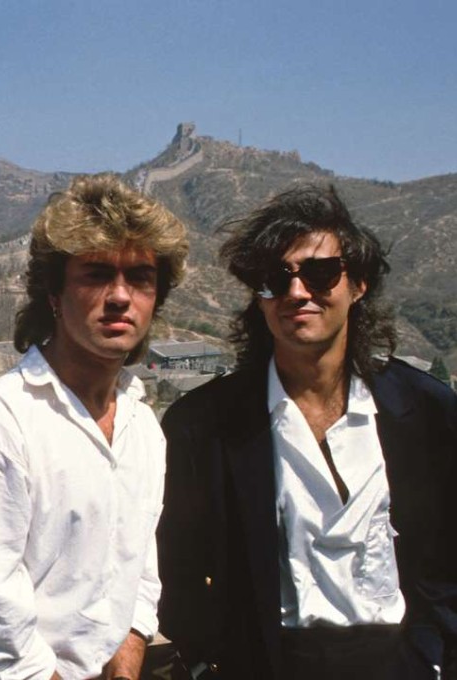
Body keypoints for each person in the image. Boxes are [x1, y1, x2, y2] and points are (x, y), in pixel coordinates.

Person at [158, 185, 457, 679]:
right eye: (276, 279)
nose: (297, 293)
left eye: (320, 273)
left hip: (403, 662)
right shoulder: (205, 426)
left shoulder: (425, 412)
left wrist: (435, 655)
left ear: (357, 283)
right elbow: (178, 569)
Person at [0, 173, 189, 679]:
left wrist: (128, 657)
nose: (119, 296)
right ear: (53, 293)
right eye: (95, 274)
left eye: (139, 277)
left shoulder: (141, 425)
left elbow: (137, 562)